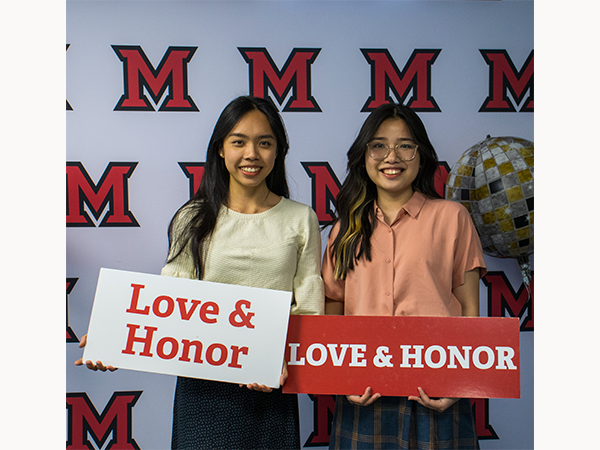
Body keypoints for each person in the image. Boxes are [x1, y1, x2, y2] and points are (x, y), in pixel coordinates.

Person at [76, 95, 324, 449]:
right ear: (221, 149)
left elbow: (309, 304)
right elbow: (169, 301)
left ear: (277, 152)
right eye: (239, 141)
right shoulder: (192, 217)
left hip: (270, 385)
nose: (251, 153)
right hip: (203, 387)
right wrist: (116, 341)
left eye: (264, 143)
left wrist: (279, 358)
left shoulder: (301, 218)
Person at [321, 102, 486, 449]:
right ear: (364, 157)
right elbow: (332, 304)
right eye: (378, 145)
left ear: (421, 156)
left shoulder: (452, 218)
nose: (391, 156)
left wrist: (460, 383)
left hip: (438, 393)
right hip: (365, 396)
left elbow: (471, 309)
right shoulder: (345, 230)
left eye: (405, 145)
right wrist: (342, 378)